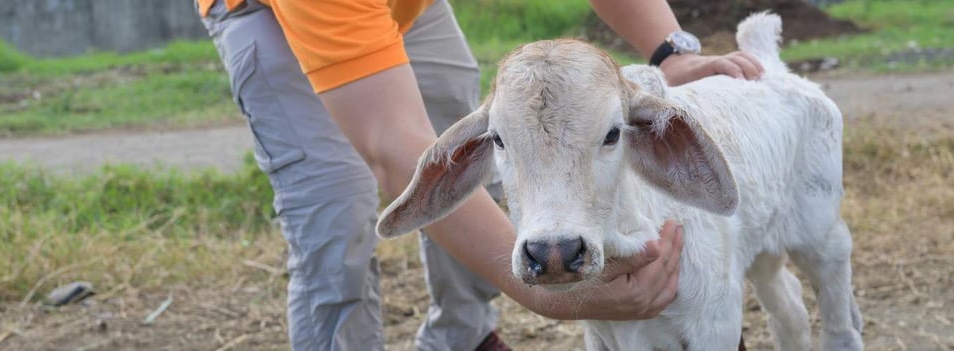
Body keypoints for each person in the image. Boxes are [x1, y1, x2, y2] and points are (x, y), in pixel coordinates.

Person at [192, 0, 764, 349]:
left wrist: (671, 52)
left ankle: (460, 339)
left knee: (502, 158)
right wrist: (550, 297)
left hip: (406, 6)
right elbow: (394, 147)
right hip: (278, 16)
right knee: (336, 212)